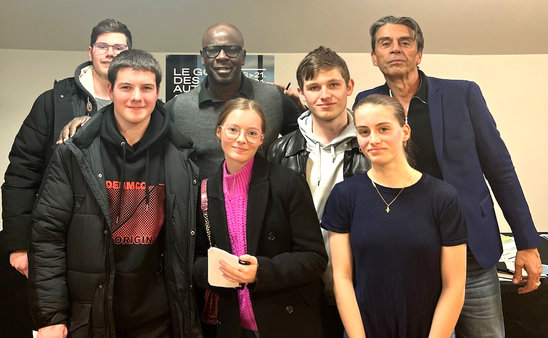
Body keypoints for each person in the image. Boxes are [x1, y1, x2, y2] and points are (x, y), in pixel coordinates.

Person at [354, 15, 542, 337]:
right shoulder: (367, 103)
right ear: (374, 57)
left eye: (405, 42)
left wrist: (527, 242)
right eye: (385, 43)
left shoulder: (462, 95)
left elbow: (500, 170)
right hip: (408, 257)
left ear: (419, 52)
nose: (395, 49)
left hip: (470, 251)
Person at [28, 49, 201, 337]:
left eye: (146, 88)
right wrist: (51, 317)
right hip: (92, 316)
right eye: (126, 87)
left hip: (162, 319)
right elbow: (47, 236)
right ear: (110, 90)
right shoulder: (74, 154)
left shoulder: (182, 158)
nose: (137, 97)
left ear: (158, 91)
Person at [323, 94, 467, 337]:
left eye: (383, 129)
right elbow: (342, 278)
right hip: (365, 329)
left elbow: (454, 286)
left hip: (429, 329)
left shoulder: (442, 197)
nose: (373, 140)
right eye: (364, 131)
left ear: (405, 131)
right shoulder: (345, 195)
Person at [1, 18, 132, 277]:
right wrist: (17, 244)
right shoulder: (53, 103)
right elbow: (21, 174)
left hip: (123, 242)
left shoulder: (142, 105)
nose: (110, 53)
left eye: (119, 47)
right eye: (102, 45)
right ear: (90, 51)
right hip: (57, 238)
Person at [193, 98, 327, 338]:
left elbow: (314, 258)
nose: (241, 139)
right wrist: (215, 271)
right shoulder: (205, 189)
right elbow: (195, 258)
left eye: (252, 132)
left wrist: (261, 271)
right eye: (233, 129)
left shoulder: (288, 183)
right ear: (218, 131)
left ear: (262, 138)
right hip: (230, 323)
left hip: (284, 320)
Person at [267, 46, 369, 337]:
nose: (324, 95)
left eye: (333, 84)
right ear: (301, 94)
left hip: (362, 283)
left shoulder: (371, 145)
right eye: (314, 87)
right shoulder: (280, 151)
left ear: (349, 86)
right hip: (301, 288)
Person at [164, 23, 301, 179]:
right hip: (202, 202)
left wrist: (305, 109)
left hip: (262, 200)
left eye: (232, 50)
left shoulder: (275, 98)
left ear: (243, 56)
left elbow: (309, 140)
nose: (222, 56)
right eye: (213, 50)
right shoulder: (177, 108)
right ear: (202, 57)